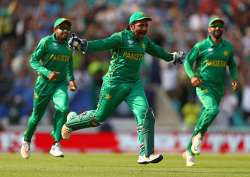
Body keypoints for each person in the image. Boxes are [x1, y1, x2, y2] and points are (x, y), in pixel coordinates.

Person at [62, 11, 185, 164]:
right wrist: (83, 44)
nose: (144, 28)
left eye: (146, 25)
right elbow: (102, 44)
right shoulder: (120, 37)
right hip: (114, 84)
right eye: (141, 25)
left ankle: (146, 154)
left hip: (134, 84)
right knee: (100, 117)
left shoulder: (144, 41)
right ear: (132, 26)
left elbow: (157, 51)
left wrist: (172, 57)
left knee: (145, 114)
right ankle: (71, 122)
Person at [182, 17, 239, 166]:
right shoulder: (201, 46)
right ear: (208, 29)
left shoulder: (228, 48)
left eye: (220, 26)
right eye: (214, 26)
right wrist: (192, 76)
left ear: (223, 29)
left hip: (219, 88)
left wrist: (234, 78)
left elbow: (232, 64)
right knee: (213, 110)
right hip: (203, 85)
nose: (217, 28)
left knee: (207, 118)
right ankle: (197, 139)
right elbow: (187, 61)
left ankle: (189, 151)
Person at [20, 17, 77, 159]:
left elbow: (69, 63)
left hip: (60, 84)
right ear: (55, 30)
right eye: (62, 28)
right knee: (36, 117)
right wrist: (47, 72)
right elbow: (33, 60)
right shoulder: (46, 42)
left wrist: (71, 80)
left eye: (67, 28)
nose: (65, 31)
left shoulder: (69, 46)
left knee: (63, 109)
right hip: (44, 84)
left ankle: (55, 144)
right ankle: (26, 141)